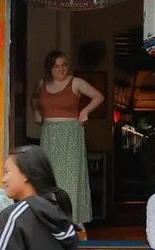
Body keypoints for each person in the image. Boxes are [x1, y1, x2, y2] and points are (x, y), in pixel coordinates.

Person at [30, 50, 103, 234]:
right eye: (56, 66)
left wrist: (85, 111)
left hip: (71, 132)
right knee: (49, 177)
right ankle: (50, 219)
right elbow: (34, 99)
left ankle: (75, 220)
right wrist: (37, 113)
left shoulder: (76, 82)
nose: (61, 69)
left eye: (64, 65)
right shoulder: (42, 84)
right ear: (49, 68)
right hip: (49, 133)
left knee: (71, 178)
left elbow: (98, 96)